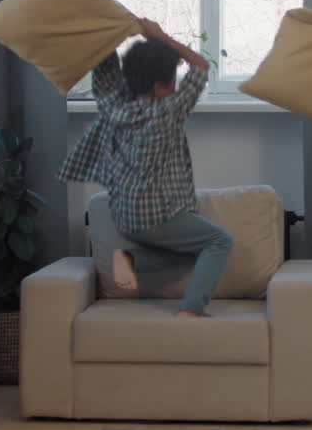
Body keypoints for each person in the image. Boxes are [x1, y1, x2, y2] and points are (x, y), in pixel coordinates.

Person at [57, 18, 232, 317]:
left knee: (192, 252)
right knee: (219, 241)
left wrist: (112, 32)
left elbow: (106, 68)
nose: (175, 86)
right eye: (171, 81)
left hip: (125, 215)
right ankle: (191, 309)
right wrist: (162, 36)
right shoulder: (167, 112)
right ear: (159, 87)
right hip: (157, 218)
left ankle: (130, 258)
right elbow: (201, 67)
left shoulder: (113, 105)